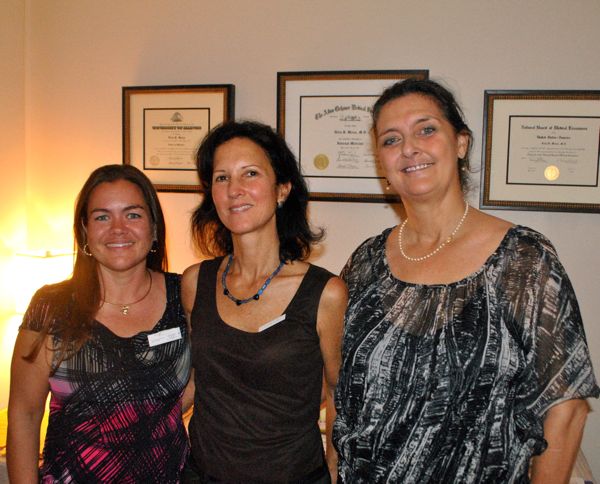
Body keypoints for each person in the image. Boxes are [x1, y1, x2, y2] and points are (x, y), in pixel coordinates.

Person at [333, 78, 599, 483]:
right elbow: (340, 388)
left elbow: (566, 407)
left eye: (426, 129)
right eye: (391, 140)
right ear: (381, 162)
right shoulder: (366, 262)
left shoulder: (522, 259)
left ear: (460, 143)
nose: (409, 148)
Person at [181, 120, 347, 483]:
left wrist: (334, 471)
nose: (234, 190)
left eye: (250, 174)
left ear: (282, 190)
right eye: (222, 178)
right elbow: (196, 380)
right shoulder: (196, 282)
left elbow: (337, 392)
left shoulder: (325, 293)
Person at [7, 164, 191, 483]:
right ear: (85, 232)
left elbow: (210, 374)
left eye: (132, 215)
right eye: (102, 217)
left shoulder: (185, 295)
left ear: (155, 228)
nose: (118, 229)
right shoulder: (51, 307)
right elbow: (24, 415)